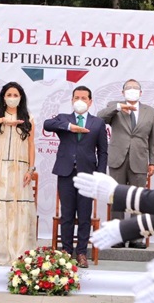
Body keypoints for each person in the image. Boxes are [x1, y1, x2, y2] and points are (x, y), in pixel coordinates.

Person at [43, 85, 108, 268]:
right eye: (76, 97)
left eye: (84, 98)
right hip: (66, 172)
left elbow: (103, 152)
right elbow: (47, 124)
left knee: (85, 216)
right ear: (72, 100)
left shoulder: (97, 123)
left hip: (87, 175)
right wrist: (70, 127)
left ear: (90, 101)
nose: (80, 101)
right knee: (67, 215)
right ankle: (66, 252)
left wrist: (100, 176)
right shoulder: (64, 119)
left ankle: (81, 253)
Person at [97, 79, 154, 249]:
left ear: (141, 93)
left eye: (135, 88)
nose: (132, 90)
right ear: (123, 93)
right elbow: (99, 118)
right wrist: (118, 107)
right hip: (118, 158)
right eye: (128, 88)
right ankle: (117, 237)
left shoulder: (150, 111)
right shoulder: (114, 107)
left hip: (140, 158)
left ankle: (136, 237)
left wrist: (153, 161)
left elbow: (153, 138)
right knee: (117, 198)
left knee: (138, 199)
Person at [0, 81, 36, 265]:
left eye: (15, 95)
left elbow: (31, 145)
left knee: (19, 207)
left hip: (20, 170)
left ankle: (19, 251)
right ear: (3, 97)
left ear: (21, 98)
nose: (12, 98)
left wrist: (30, 169)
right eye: (9, 95)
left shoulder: (28, 118)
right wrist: (4, 120)